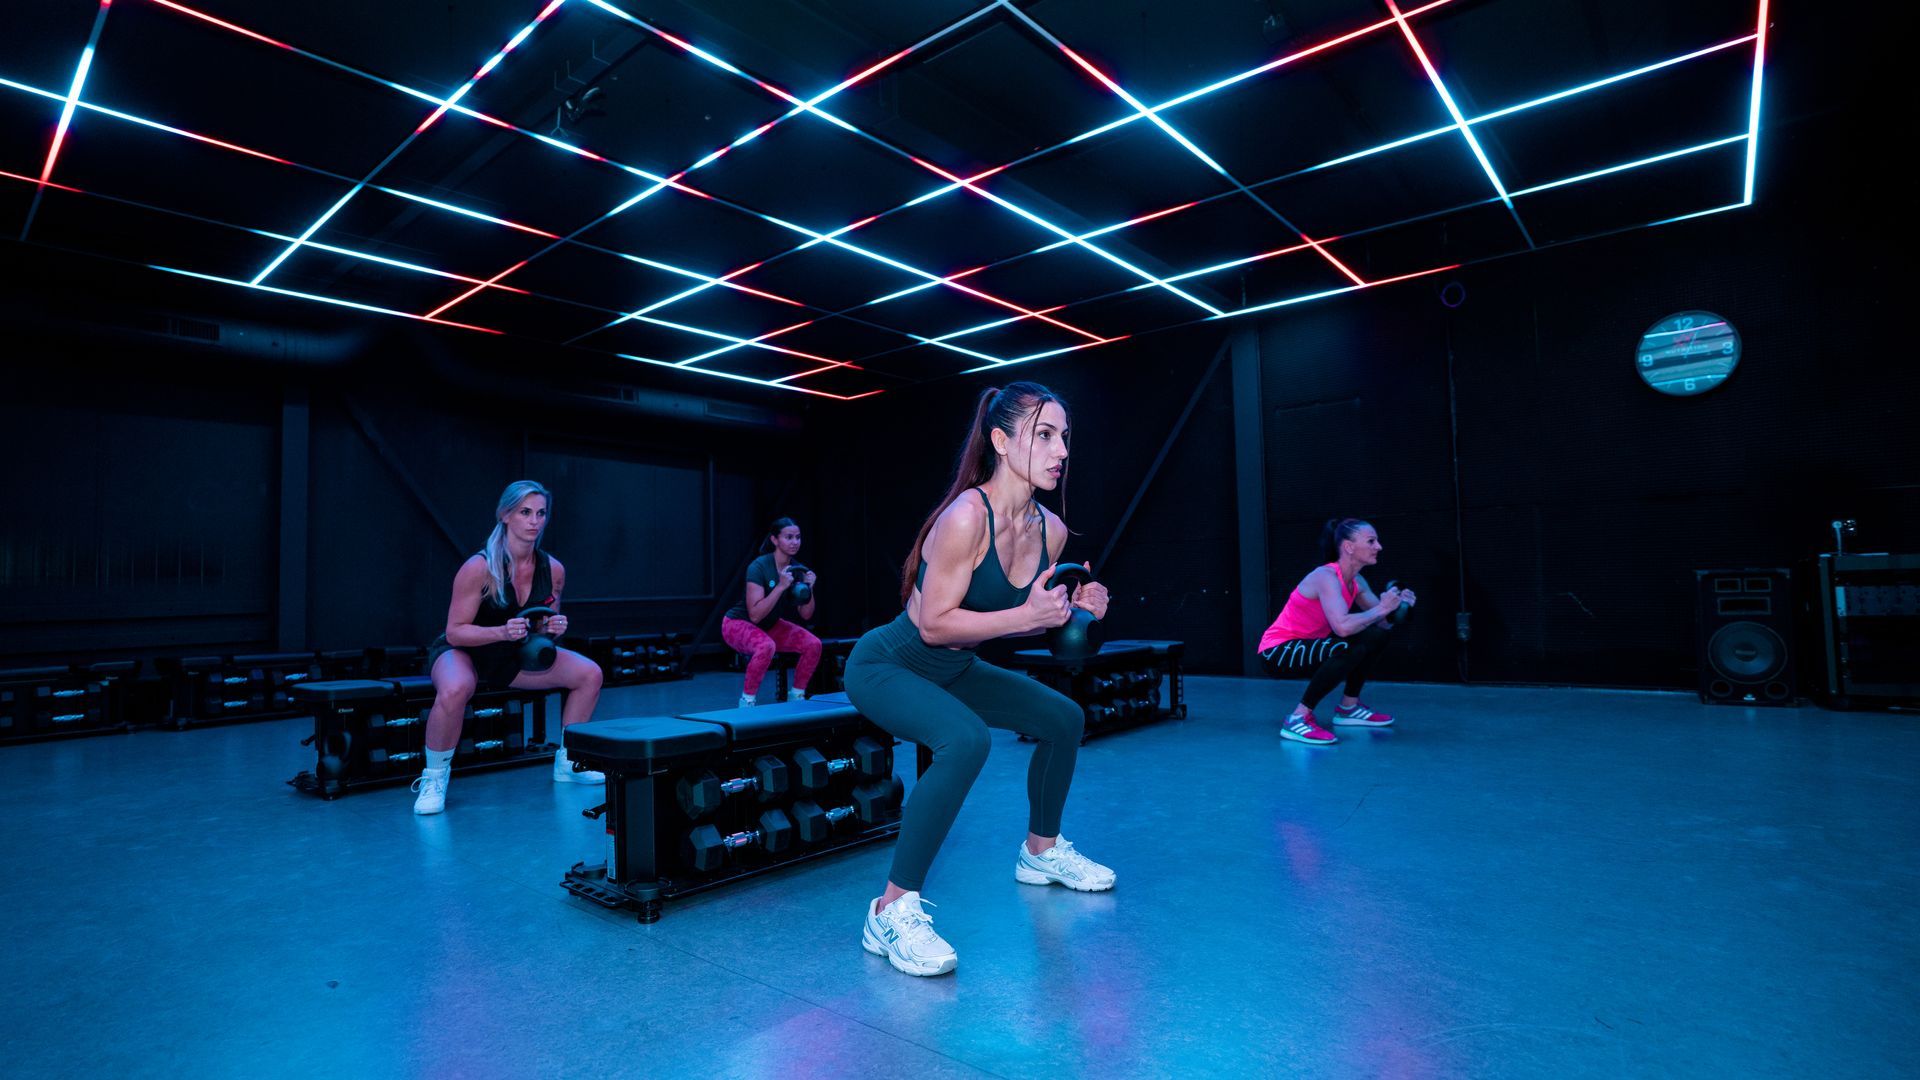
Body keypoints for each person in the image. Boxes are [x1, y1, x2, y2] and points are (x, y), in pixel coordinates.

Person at [842, 381, 1113, 977]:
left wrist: (1080, 610)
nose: (1060, 450)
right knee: (966, 740)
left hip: (954, 667)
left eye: (1064, 437)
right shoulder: (966, 516)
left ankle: (1040, 852)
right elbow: (937, 625)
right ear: (1000, 440)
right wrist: (1027, 616)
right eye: (1044, 435)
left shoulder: (1052, 531)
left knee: (1064, 719)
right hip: (889, 663)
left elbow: (1027, 622)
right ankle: (889, 911)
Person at [411, 481, 606, 815]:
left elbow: (543, 627)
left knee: (590, 674)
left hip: (510, 655)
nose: (534, 521)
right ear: (505, 515)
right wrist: (501, 631)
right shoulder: (478, 568)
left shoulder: (553, 569)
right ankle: (434, 778)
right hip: (464, 651)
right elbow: (455, 632)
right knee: (456, 688)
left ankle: (569, 763)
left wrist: (553, 628)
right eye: (525, 512)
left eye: (540, 513)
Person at [1256, 517, 1417, 744]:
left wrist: (1400, 606)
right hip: (1276, 652)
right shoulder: (1326, 577)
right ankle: (1297, 719)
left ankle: (1348, 708)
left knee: (1376, 636)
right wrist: (1382, 608)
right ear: (1349, 547)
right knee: (1346, 645)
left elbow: (1383, 622)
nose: (1378, 547)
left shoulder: (1357, 581)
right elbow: (1342, 627)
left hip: (1311, 647)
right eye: (1371, 541)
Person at [720, 517, 821, 708]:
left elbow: (806, 614)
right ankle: (747, 702)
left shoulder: (797, 569)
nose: (794, 542)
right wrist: (780, 587)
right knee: (766, 646)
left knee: (813, 644)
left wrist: (810, 588)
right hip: (737, 624)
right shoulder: (758, 567)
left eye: (798, 537)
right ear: (775, 540)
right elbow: (755, 615)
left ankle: (797, 696)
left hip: (769, 625)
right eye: (789, 537)